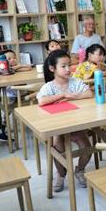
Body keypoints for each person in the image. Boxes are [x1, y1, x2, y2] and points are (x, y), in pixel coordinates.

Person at [37, 50, 93, 191]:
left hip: (76, 125)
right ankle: (61, 174)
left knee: (87, 147)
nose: (68, 69)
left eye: (69, 65)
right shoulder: (49, 87)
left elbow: (88, 93)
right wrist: (62, 94)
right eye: (63, 66)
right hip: (58, 128)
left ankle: (79, 170)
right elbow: (41, 101)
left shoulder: (75, 82)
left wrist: (71, 97)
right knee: (57, 147)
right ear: (52, 68)